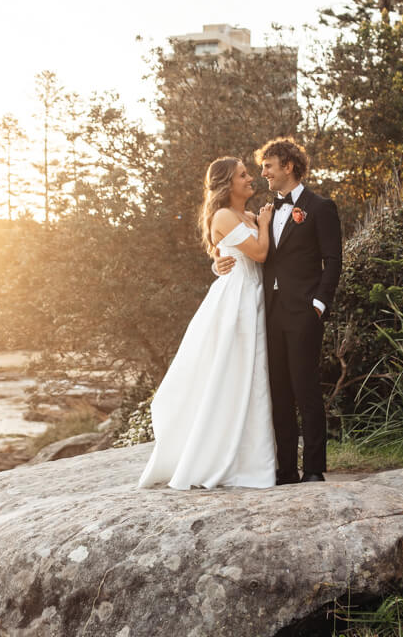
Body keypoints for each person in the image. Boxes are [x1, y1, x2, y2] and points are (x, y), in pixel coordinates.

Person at [137, 157, 277, 490]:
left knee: (253, 376)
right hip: (237, 302)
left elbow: (231, 253)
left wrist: (256, 224)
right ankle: (223, 457)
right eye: (242, 175)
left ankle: (252, 457)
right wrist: (265, 224)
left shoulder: (246, 216)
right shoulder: (224, 215)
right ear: (227, 184)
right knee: (233, 374)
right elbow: (259, 253)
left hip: (254, 296)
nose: (250, 178)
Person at [218, 138, 343, 484]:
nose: (264, 174)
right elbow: (236, 247)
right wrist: (218, 263)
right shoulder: (265, 213)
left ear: (288, 166)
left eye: (269, 167)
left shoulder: (320, 207)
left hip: (304, 312)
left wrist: (319, 304)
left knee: (306, 389)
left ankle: (314, 468)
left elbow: (333, 261)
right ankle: (285, 469)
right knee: (278, 393)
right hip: (269, 313)